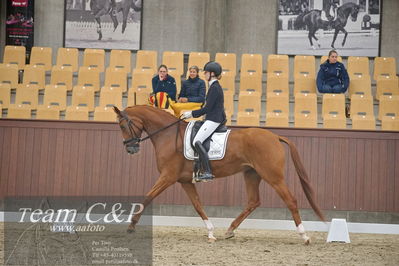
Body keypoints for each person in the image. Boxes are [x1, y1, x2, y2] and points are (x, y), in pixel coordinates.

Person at [182, 62, 226, 182]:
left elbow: (207, 108)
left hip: (214, 119)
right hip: (212, 117)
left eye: (206, 72)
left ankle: (207, 171)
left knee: (197, 141)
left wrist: (191, 114)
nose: (204, 74)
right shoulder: (213, 86)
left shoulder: (215, 87)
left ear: (212, 74)